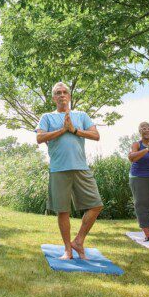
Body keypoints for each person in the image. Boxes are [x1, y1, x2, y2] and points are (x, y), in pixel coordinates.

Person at [36, 82, 103, 260]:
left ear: (70, 96)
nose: (62, 95)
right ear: (53, 97)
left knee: (96, 205)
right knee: (63, 211)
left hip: (81, 167)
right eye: (58, 93)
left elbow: (96, 135)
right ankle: (68, 249)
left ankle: (79, 241)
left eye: (65, 92)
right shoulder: (47, 117)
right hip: (59, 169)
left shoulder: (81, 115)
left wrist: (74, 130)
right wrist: (62, 130)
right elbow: (40, 137)